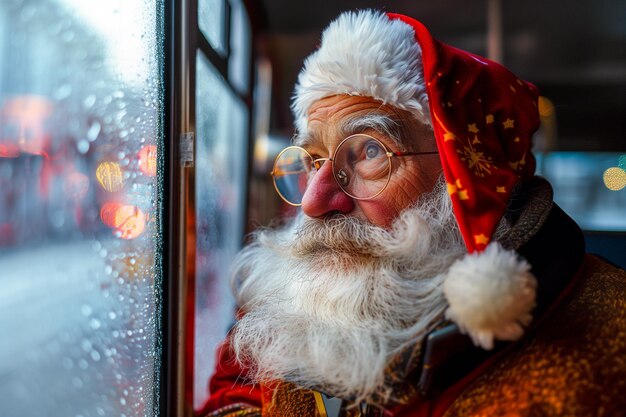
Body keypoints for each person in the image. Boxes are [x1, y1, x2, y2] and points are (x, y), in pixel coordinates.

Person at [201, 10, 626, 417]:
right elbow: (236, 388)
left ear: (466, 179)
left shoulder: (604, 360)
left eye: (369, 151)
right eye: (314, 159)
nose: (313, 202)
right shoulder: (326, 285)